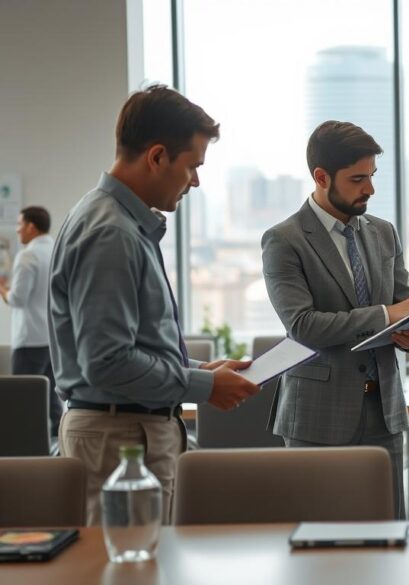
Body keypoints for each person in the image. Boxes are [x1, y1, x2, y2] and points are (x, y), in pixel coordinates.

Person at [50, 85, 260, 525]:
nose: (196, 182)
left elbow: (128, 346)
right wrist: (203, 388)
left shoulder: (117, 222)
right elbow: (107, 363)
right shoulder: (111, 233)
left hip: (125, 432)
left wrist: (200, 373)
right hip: (119, 438)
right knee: (126, 569)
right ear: (158, 156)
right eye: (192, 167)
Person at [262, 121, 409, 519]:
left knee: (389, 535)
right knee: (320, 543)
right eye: (357, 179)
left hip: (383, 409)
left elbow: (405, 301)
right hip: (317, 416)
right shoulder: (284, 240)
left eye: (371, 176)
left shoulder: (383, 233)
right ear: (321, 177)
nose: (369, 188)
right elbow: (303, 326)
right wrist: (387, 316)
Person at [0, 206, 59, 436]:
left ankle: (25, 451)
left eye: (19, 225)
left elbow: (18, 298)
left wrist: (3, 290)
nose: (17, 231)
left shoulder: (28, 255)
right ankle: (56, 449)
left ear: (31, 226)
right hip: (52, 338)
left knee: (22, 401)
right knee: (53, 398)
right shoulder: (57, 250)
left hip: (30, 339)